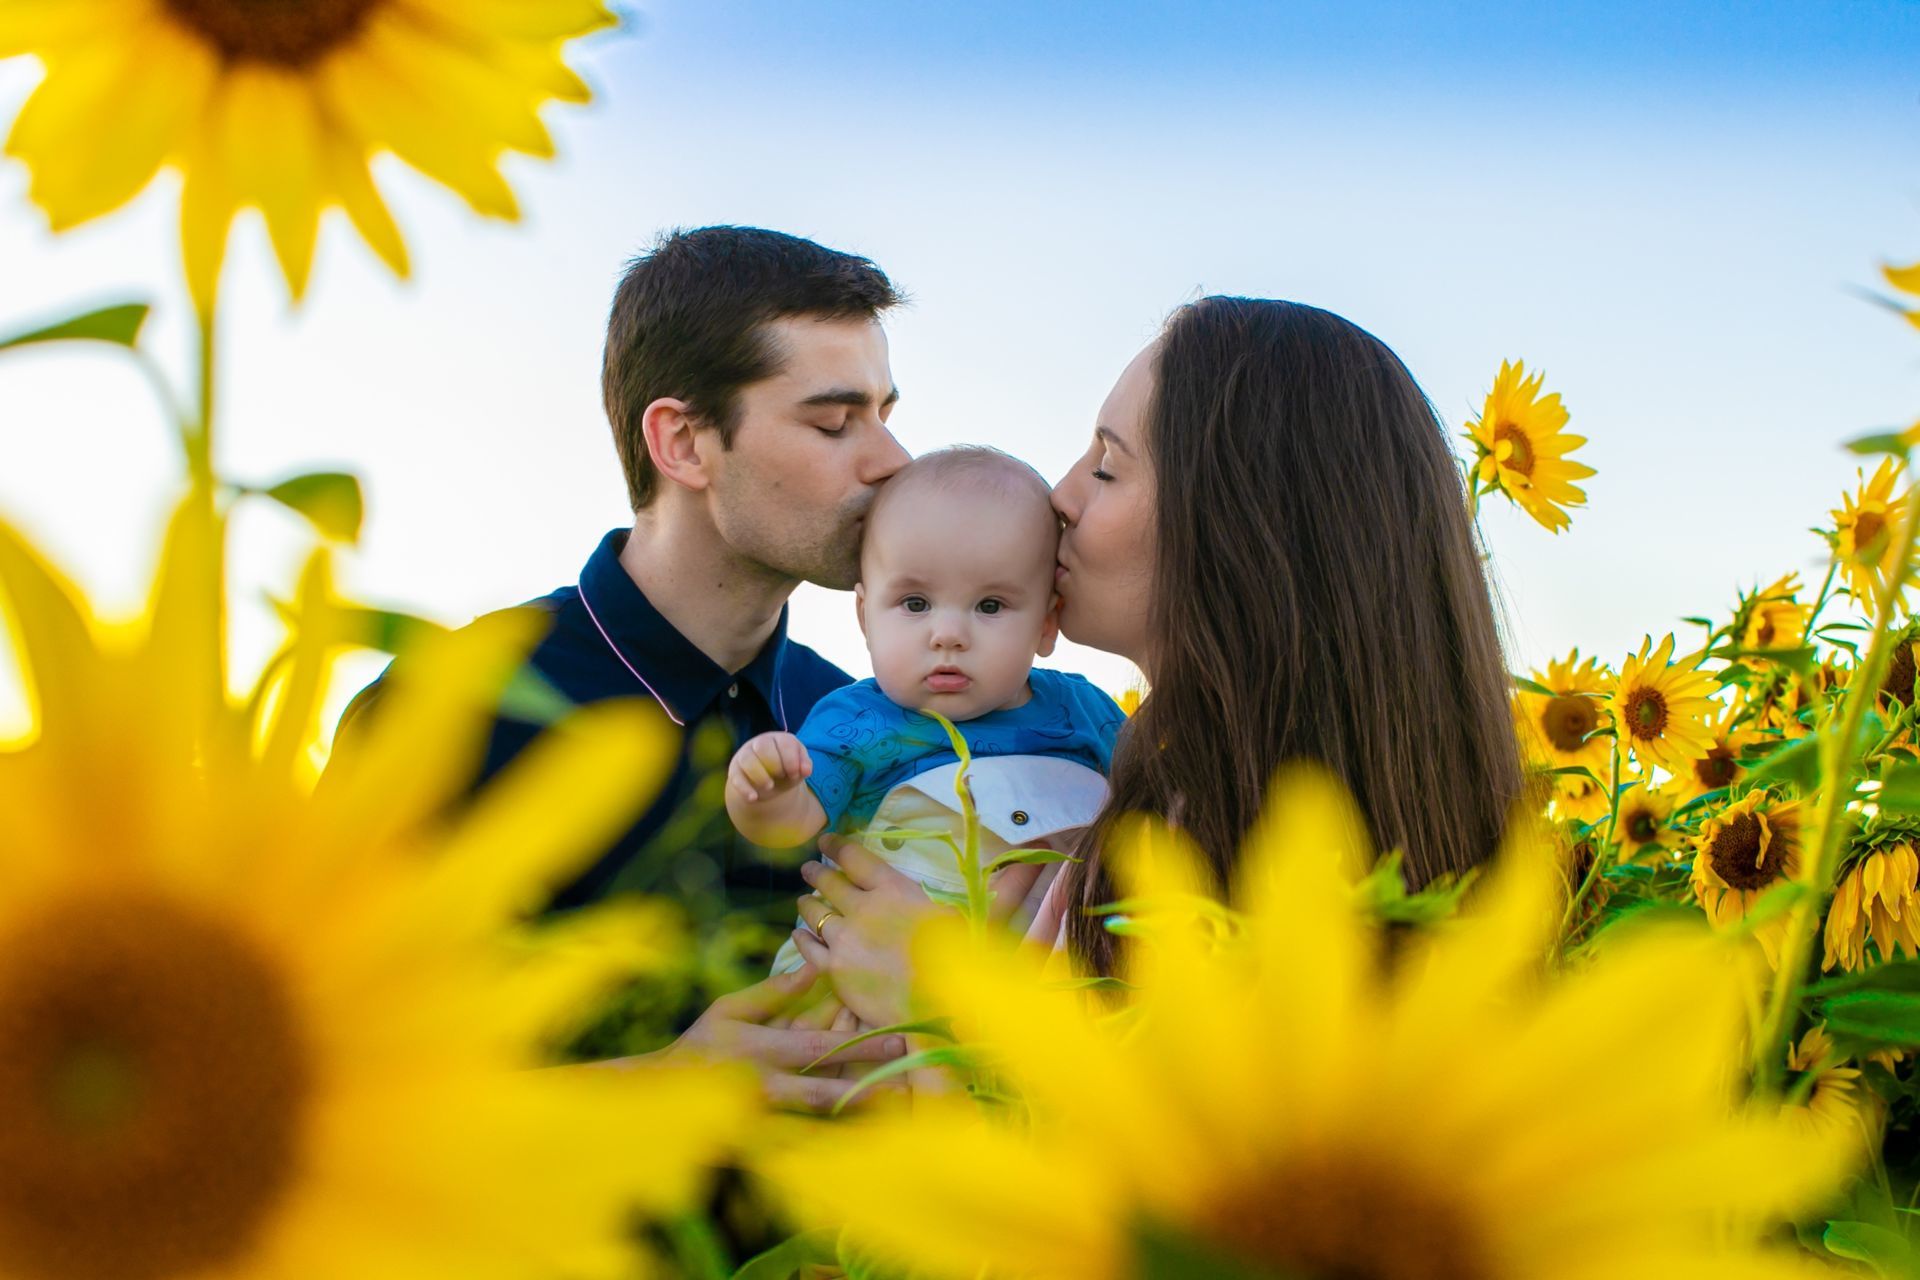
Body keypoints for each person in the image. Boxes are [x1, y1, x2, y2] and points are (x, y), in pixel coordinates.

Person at [786, 295, 1525, 1024]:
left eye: (1106, 467)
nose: (1062, 497)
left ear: (1237, 529)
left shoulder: (1212, 857)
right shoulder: (1152, 778)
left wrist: (953, 1000)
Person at [332, 225, 919, 1109]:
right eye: (835, 421)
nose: (892, 461)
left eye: (886, 415)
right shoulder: (438, 709)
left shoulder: (860, 718)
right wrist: (658, 1089)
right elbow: (333, 1099)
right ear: (682, 443)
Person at [724, 446, 1126, 974]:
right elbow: (790, 823)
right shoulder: (857, 720)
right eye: (915, 604)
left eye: (990, 606)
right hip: (860, 990)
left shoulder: (1082, 712)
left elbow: (1154, 809)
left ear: (1046, 624)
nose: (948, 635)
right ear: (866, 616)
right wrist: (764, 790)